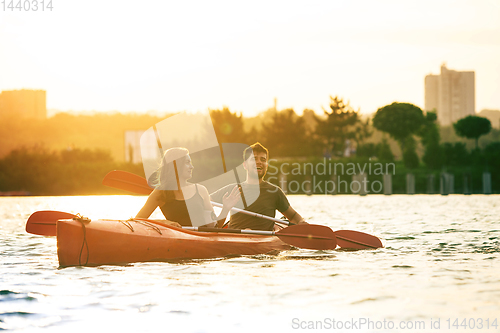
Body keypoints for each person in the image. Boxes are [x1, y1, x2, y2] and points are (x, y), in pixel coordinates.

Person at [210, 142, 307, 231]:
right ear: (245, 165)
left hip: (263, 240)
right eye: (254, 158)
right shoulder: (232, 189)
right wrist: (225, 209)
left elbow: (294, 216)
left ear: (266, 165)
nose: (259, 162)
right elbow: (205, 203)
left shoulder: (274, 192)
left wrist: (302, 223)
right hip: (233, 239)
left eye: (263, 159)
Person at [136, 147, 240, 227]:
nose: (192, 166)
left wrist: (225, 209)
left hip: (201, 243)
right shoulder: (161, 192)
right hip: (176, 243)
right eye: (187, 162)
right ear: (176, 165)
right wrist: (162, 222)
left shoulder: (201, 190)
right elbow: (136, 220)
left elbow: (214, 227)